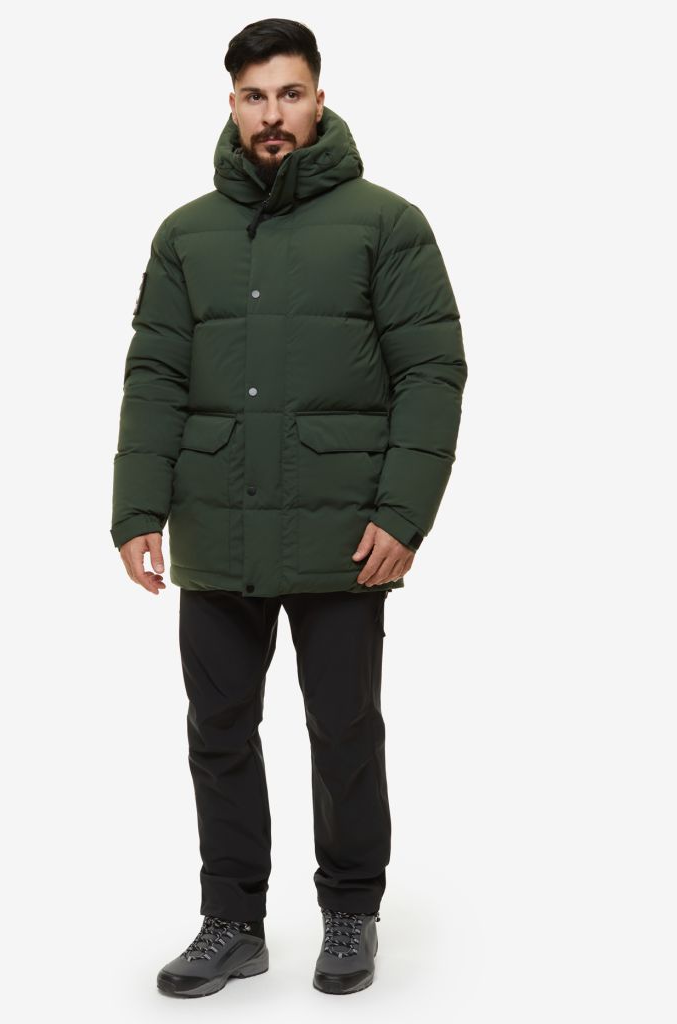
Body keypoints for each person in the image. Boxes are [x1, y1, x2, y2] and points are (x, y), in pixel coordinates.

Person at [110, 18, 467, 998]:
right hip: (216, 520)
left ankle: (351, 909)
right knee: (218, 728)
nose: (274, 114)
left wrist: (403, 512)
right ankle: (232, 920)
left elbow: (432, 371)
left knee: (344, 728)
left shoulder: (387, 224)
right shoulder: (186, 234)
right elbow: (155, 374)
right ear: (232, 104)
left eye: (290, 94)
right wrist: (138, 510)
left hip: (343, 530)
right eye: (256, 96)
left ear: (319, 98)